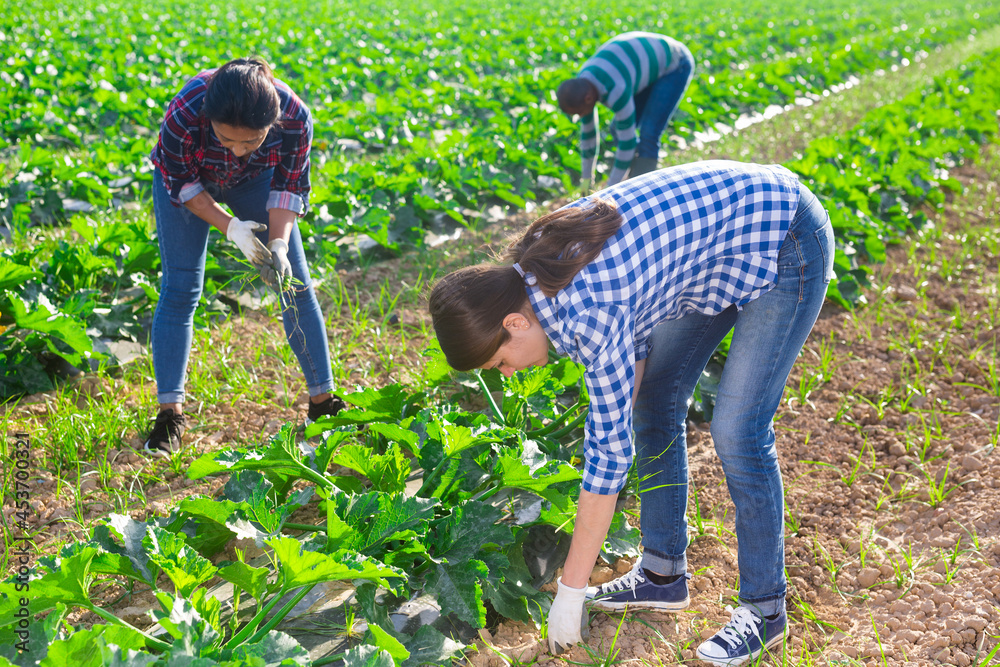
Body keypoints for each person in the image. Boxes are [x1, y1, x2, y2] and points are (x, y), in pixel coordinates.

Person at [428, 161, 834, 666]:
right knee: (654, 402)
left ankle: (766, 609)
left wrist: (571, 588)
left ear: (514, 322)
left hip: (781, 236)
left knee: (737, 429)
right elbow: (633, 362)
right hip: (717, 249)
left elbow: (608, 459)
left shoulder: (586, 308)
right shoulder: (536, 284)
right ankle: (663, 574)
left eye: (500, 361)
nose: (506, 374)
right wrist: (617, 417)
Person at [144, 57, 344, 456]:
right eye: (226, 139)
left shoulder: (295, 118)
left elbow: (289, 186)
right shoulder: (186, 110)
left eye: (250, 141)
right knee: (181, 287)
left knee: (294, 286)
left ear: (271, 124)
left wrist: (280, 244)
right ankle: (170, 415)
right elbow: (180, 181)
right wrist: (230, 226)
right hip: (192, 183)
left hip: (257, 182)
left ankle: (323, 404)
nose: (236, 150)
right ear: (209, 119)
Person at [556, 32, 695, 190]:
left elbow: (627, 143)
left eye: (578, 112)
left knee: (649, 135)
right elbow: (588, 138)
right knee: (617, 128)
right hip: (642, 66)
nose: (580, 116)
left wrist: (610, 191)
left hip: (675, 64)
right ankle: (639, 172)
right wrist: (586, 183)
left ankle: (640, 192)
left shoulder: (616, 89)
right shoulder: (583, 83)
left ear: (588, 99)